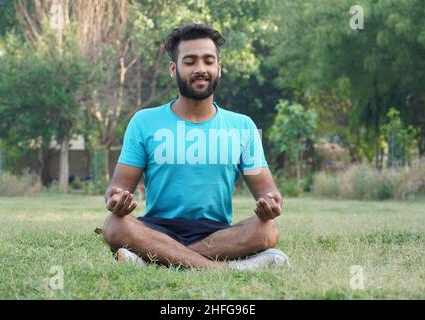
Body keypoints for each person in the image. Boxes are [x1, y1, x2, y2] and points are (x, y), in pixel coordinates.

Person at [102, 23, 289, 271]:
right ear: (173, 69)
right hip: (157, 228)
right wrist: (115, 200)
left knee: (267, 230)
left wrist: (271, 204)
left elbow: (268, 192)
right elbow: (117, 188)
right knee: (114, 225)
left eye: (208, 61)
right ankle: (224, 269)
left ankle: (154, 261)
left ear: (218, 68)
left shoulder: (243, 126)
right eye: (190, 61)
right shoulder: (144, 121)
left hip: (216, 233)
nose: (200, 69)